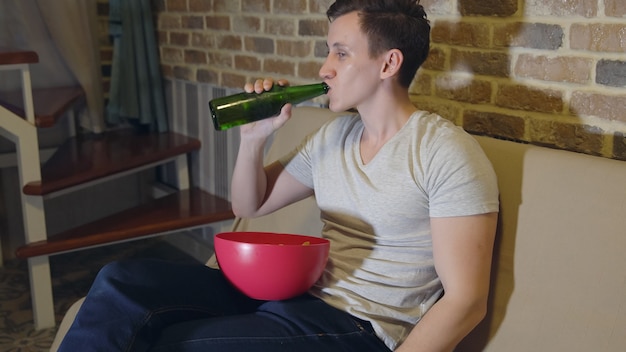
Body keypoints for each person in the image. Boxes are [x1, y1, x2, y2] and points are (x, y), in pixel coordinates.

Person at [57, 0, 499, 351]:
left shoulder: (446, 153)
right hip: (289, 293)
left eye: (340, 54)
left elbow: (466, 301)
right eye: (329, 51)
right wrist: (254, 138)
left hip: (357, 327)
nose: (324, 68)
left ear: (388, 64)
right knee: (120, 282)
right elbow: (250, 205)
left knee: (173, 344)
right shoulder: (334, 137)